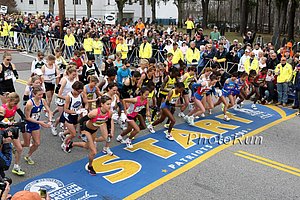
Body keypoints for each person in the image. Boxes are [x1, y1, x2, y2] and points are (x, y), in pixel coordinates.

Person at [68, 96, 114, 176]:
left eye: (110, 104)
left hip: (94, 130)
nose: (109, 106)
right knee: (93, 151)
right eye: (107, 104)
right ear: (102, 104)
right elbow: (82, 120)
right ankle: (90, 166)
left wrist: (109, 131)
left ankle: (72, 144)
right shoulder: (94, 112)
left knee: (86, 146)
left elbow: (109, 122)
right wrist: (82, 131)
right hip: (87, 130)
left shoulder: (109, 113)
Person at [23, 86, 53, 165]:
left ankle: (28, 156)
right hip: (28, 124)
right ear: (34, 94)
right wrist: (40, 122)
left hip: (35, 123)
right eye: (39, 95)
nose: (41, 96)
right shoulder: (29, 103)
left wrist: (49, 120)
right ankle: (16, 146)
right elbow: (27, 117)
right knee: (26, 143)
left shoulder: (43, 101)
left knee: (37, 143)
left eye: (42, 94)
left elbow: (49, 111)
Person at [0, 93, 26, 176]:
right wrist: (9, 124)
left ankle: (16, 166)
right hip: (3, 133)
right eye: (14, 103)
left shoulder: (15, 106)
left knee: (19, 148)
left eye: (17, 103)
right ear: (8, 100)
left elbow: (22, 115)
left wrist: (22, 121)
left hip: (12, 130)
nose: (15, 105)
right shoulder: (3, 109)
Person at [61, 81, 86, 153]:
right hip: (68, 116)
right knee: (73, 134)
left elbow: (80, 104)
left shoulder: (81, 95)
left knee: (72, 130)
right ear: (74, 89)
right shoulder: (69, 96)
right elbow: (65, 109)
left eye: (80, 91)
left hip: (75, 116)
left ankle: (62, 134)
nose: (79, 93)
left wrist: (82, 111)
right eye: (78, 91)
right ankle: (64, 144)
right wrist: (75, 112)